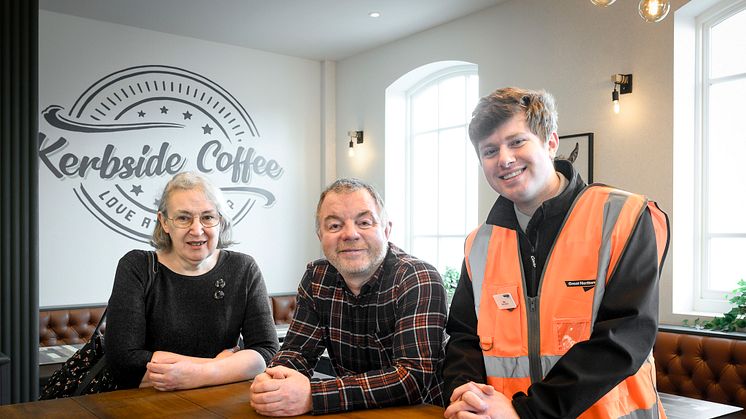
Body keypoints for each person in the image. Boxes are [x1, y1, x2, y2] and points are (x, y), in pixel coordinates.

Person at [442, 87, 670, 419]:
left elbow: (624, 338)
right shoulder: (479, 243)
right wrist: (467, 395)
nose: (504, 159)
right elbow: (463, 337)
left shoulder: (624, 216)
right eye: (490, 150)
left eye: (517, 142)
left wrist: (528, 412)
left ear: (550, 143)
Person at [249, 178, 447, 416]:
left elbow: (412, 379)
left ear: (386, 230)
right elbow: (297, 352)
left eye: (364, 222)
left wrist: (314, 395)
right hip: (351, 412)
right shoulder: (317, 277)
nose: (350, 234)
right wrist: (274, 379)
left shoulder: (417, 277)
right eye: (334, 226)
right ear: (320, 235)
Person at [106, 172, 279, 391]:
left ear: (220, 222)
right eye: (183, 217)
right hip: (146, 407)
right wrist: (220, 365)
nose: (197, 230)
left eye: (207, 217)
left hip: (220, 406)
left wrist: (198, 374)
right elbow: (125, 362)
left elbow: (267, 352)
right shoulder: (136, 267)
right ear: (164, 222)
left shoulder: (244, 269)